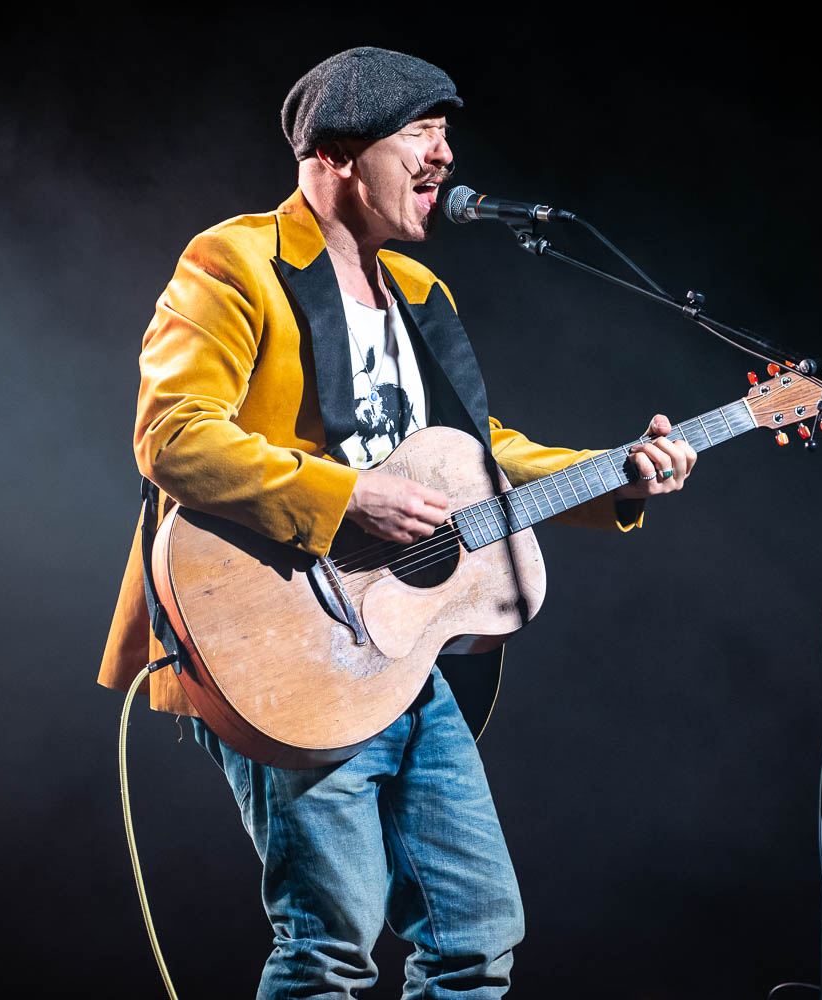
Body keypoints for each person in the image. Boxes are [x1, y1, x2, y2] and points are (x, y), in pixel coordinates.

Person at [97, 46, 696, 998]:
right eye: (420, 129)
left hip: (400, 655)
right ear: (336, 151)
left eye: (447, 133)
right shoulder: (234, 262)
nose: (445, 154)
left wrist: (614, 475)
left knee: (477, 936)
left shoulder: (422, 296)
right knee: (330, 945)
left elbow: (478, 453)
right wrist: (344, 498)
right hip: (279, 640)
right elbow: (173, 437)